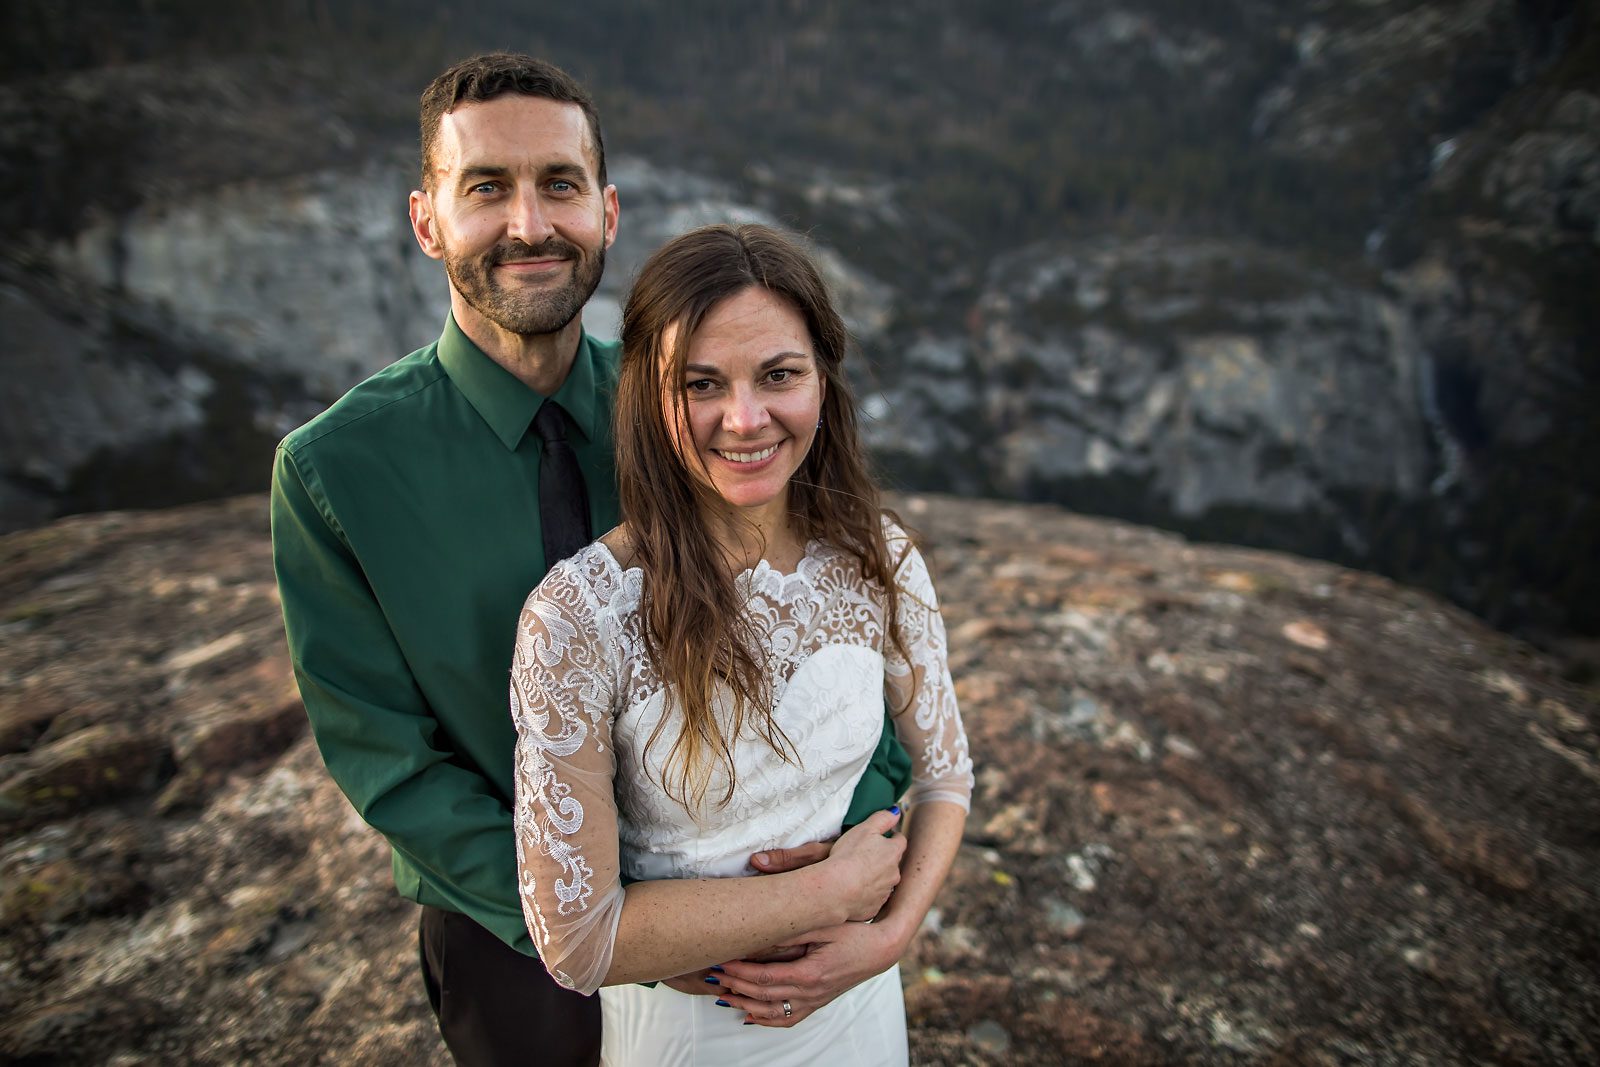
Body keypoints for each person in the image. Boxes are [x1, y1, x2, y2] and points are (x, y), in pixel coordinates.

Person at [270, 54, 912, 1067]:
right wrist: (599, 924)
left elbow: (843, 608)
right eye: (486, 187)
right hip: (512, 945)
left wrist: (850, 838)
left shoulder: (697, 411)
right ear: (426, 220)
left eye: (559, 184)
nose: (531, 223)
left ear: (607, 212)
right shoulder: (333, 472)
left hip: (756, 902)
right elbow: (389, 759)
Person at [509, 222, 974, 1065]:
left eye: (779, 375)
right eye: (701, 384)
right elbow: (576, 938)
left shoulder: (878, 556)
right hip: (690, 1038)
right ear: (650, 397)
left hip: (862, 1011)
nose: (745, 418)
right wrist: (827, 890)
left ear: (823, 382)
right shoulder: (580, 616)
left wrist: (889, 933)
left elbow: (945, 773)